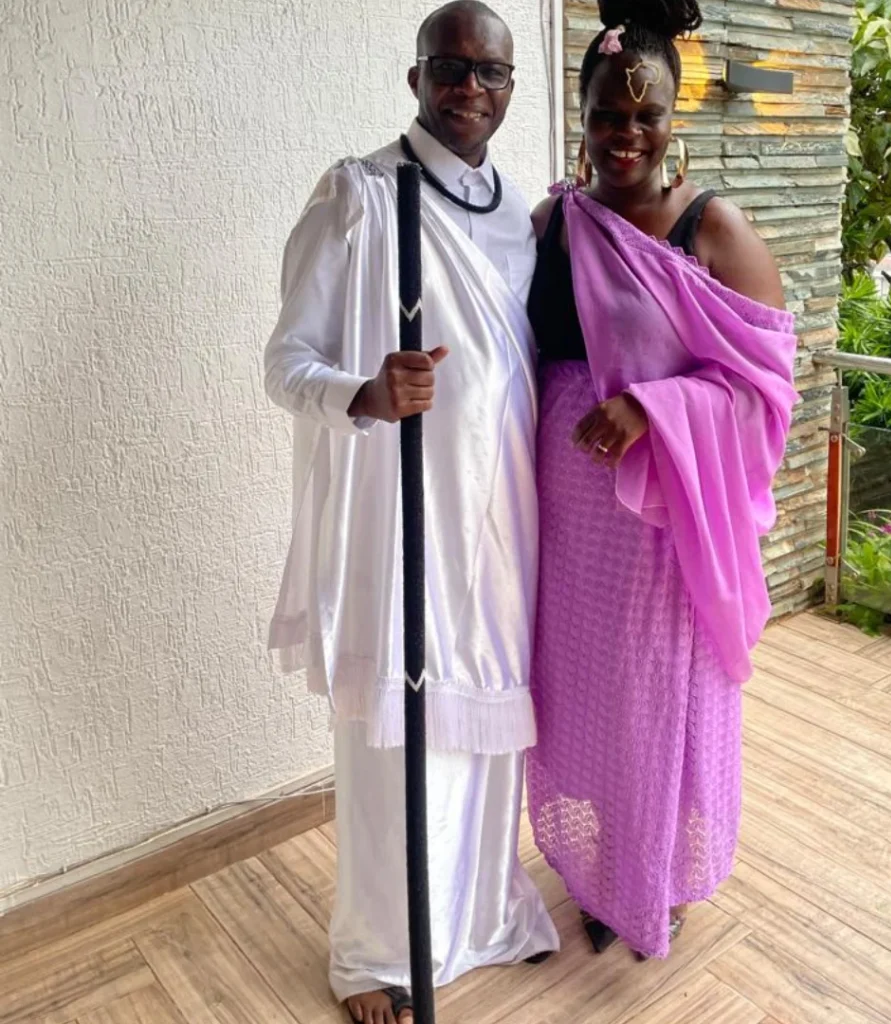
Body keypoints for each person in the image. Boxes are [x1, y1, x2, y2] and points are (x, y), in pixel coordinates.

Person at [263, 3, 558, 1020]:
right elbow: (284, 362)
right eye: (449, 66)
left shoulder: (519, 212)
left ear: (511, 88)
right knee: (397, 734)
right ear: (416, 75)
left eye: (490, 71)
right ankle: (380, 951)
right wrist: (366, 392)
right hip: (399, 522)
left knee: (484, 725)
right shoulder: (357, 194)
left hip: (498, 516)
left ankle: (479, 913)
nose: (468, 87)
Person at [525, 0, 800, 962]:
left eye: (645, 116)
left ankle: (648, 881)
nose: (626, 135)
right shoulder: (558, 220)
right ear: (584, 110)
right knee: (585, 696)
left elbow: (766, 383)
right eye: (608, 113)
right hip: (565, 520)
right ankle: (599, 870)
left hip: (656, 522)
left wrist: (652, 410)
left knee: (648, 706)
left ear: (673, 117)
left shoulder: (710, 227)